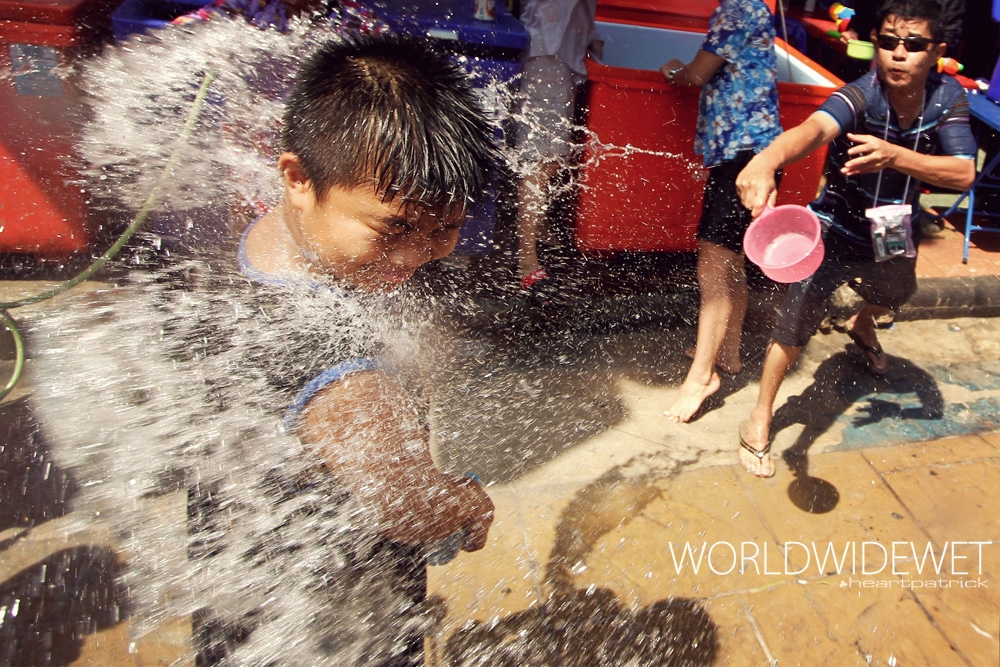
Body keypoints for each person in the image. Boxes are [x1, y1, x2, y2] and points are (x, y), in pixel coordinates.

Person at [32, 33, 497, 665]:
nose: (418, 255)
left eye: (446, 228)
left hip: (245, 590)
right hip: (337, 623)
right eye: (395, 228)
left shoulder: (252, 246)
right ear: (298, 176)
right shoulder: (338, 356)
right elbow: (406, 509)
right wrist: (462, 500)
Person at [734, 0, 976, 477]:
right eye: (887, 42)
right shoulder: (863, 94)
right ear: (875, 47)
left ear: (936, 53)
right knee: (795, 322)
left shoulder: (947, 98)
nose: (898, 55)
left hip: (889, 227)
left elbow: (964, 173)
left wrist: (894, 156)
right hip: (834, 229)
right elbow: (812, 129)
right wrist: (766, 161)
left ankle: (862, 324)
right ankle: (759, 418)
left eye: (913, 45)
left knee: (897, 291)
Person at [658, 0, 782, 423]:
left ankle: (701, 377)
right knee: (732, 260)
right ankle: (728, 353)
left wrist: (672, 68)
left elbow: (695, 74)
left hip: (742, 157)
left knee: (713, 263)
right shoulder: (755, 9)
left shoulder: (735, 10)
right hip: (757, 154)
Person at [512, 0, 602, 295]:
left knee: (552, 157)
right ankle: (526, 258)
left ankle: (537, 227)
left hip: (560, 50)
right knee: (542, 161)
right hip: (549, 52)